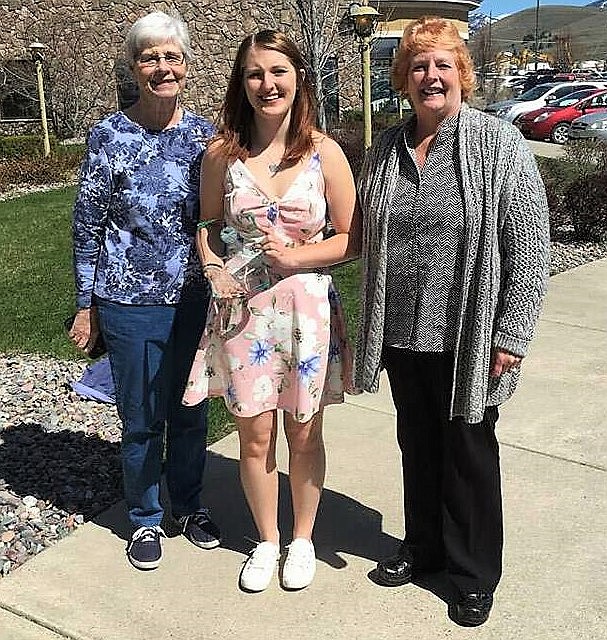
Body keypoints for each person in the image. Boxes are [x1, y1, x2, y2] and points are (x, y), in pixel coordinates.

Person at [355, 17, 550, 627]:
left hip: (470, 332)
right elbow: (363, 231)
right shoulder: (387, 148)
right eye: (418, 66)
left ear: (462, 74)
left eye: (442, 65)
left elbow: (529, 242)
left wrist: (511, 335)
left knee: (468, 447)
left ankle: (471, 573)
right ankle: (423, 546)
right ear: (403, 79)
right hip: (404, 331)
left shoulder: (497, 145)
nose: (430, 76)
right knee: (417, 441)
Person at [182, 30, 359, 592]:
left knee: (304, 434)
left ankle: (302, 539)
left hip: (306, 312)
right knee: (254, 436)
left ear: (298, 78)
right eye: (255, 74)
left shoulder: (324, 152)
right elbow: (208, 228)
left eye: (278, 71)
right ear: (242, 83)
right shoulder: (221, 155)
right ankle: (266, 541)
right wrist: (214, 269)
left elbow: (353, 238)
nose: (267, 84)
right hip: (242, 314)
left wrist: (297, 255)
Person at [69, 11, 220, 571]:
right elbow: (88, 223)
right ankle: (144, 518)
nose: (162, 67)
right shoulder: (108, 134)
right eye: (151, 57)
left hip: (194, 298)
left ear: (187, 64)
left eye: (172, 56)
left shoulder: (207, 137)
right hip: (128, 301)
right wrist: (86, 303)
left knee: (190, 411)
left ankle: (189, 504)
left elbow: (224, 218)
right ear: (134, 66)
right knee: (140, 416)